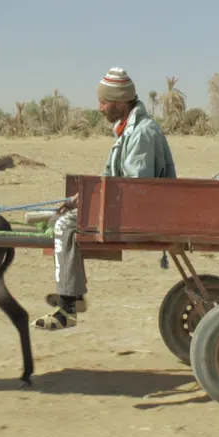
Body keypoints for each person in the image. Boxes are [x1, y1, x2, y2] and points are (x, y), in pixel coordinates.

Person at [33, 66, 177, 330]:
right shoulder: (127, 130)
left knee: (65, 226)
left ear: (121, 101)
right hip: (134, 207)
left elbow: (135, 188)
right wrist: (80, 199)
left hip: (141, 213)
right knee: (60, 218)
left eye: (103, 101)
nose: (99, 108)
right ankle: (74, 296)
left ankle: (68, 307)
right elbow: (110, 176)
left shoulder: (142, 133)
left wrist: (94, 203)